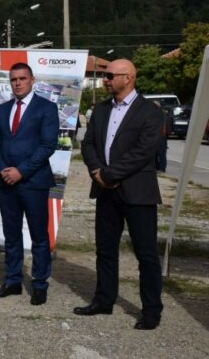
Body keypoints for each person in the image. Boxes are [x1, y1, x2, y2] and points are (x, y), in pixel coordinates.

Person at [76, 59, 164, 330]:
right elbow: (88, 143)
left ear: (129, 78)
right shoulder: (101, 109)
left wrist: (110, 174)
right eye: (105, 75)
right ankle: (104, 300)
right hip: (105, 191)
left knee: (146, 254)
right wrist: (97, 171)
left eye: (110, 76)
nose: (105, 80)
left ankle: (151, 310)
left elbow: (144, 152)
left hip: (137, 193)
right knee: (105, 250)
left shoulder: (150, 112)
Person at [0, 62, 59, 306]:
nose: (17, 83)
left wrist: (21, 171)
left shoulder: (46, 108)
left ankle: (39, 284)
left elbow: (47, 145)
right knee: (11, 234)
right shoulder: (3, 109)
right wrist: (3, 170)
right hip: (6, 181)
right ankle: (13, 281)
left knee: (39, 235)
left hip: (33, 182)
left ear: (32, 80)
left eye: (22, 78)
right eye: (13, 79)